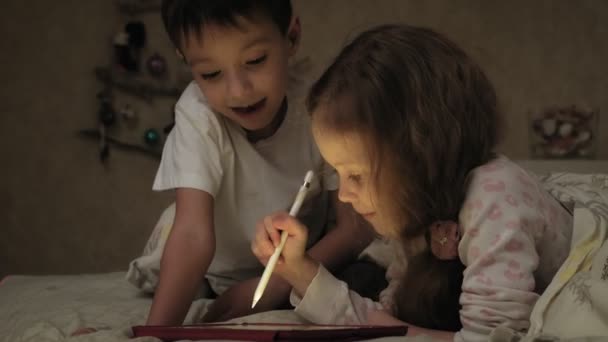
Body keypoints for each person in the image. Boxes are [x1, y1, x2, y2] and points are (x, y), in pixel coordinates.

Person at [252, 24, 573, 341]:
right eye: (338, 174)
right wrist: (299, 270)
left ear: (419, 157)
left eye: (357, 176)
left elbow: (487, 338)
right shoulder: (420, 207)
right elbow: (390, 321)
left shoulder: (495, 198)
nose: (346, 195)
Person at [142, 0, 374, 326]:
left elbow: (353, 228)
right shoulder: (198, 115)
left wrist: (279, 283)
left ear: (291, 37)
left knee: (370, 277)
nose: (239, 91)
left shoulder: (320, 106)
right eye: (211, 74)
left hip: (298, 264)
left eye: (255, 60)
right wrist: (153, 334)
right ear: (185, 60)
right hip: (215, 272)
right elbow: (192, 235)